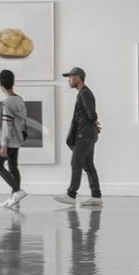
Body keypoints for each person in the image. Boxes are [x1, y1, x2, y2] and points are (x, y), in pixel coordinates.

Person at [53, 67, 102, 207]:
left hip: (84, 134)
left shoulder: (85, 93)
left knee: (76, 162)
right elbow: (91, 115)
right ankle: (96, 196)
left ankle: (71, 194)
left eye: (70, 77)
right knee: (88, 165)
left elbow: (91, 114)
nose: (68, 79)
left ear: (78, 78)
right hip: (89, 133)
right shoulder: (83, 93)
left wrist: (93, 121)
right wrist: (94, 123)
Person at [0, 69, 28, 209]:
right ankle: (15, 200)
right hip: (17, 139)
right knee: (13, 167)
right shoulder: (19, 99)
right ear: (12, 83)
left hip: (8, 141)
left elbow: (6, 124)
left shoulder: (6, 102)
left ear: (1, 86)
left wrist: (4, 144)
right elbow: (23, 120)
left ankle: (18, 191)